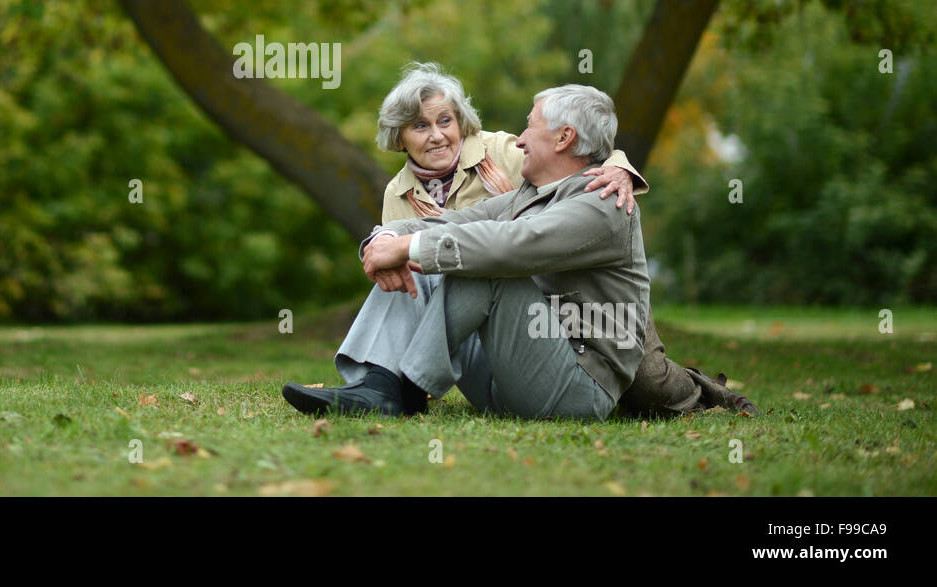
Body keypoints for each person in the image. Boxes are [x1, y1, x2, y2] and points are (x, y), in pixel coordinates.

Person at [283, 67, 758, 417]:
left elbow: (509, 246)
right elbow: (456, 221)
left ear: (564, 136)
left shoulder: (601, 203)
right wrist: (385, 238)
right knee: (446, 256)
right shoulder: (531, 192)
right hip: (516, 370)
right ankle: (379, 384)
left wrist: (409, 249)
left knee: (485, 265)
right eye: (419, 126)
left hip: (577, 386)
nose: (521, 136)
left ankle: (400, 390)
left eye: (531, 125)